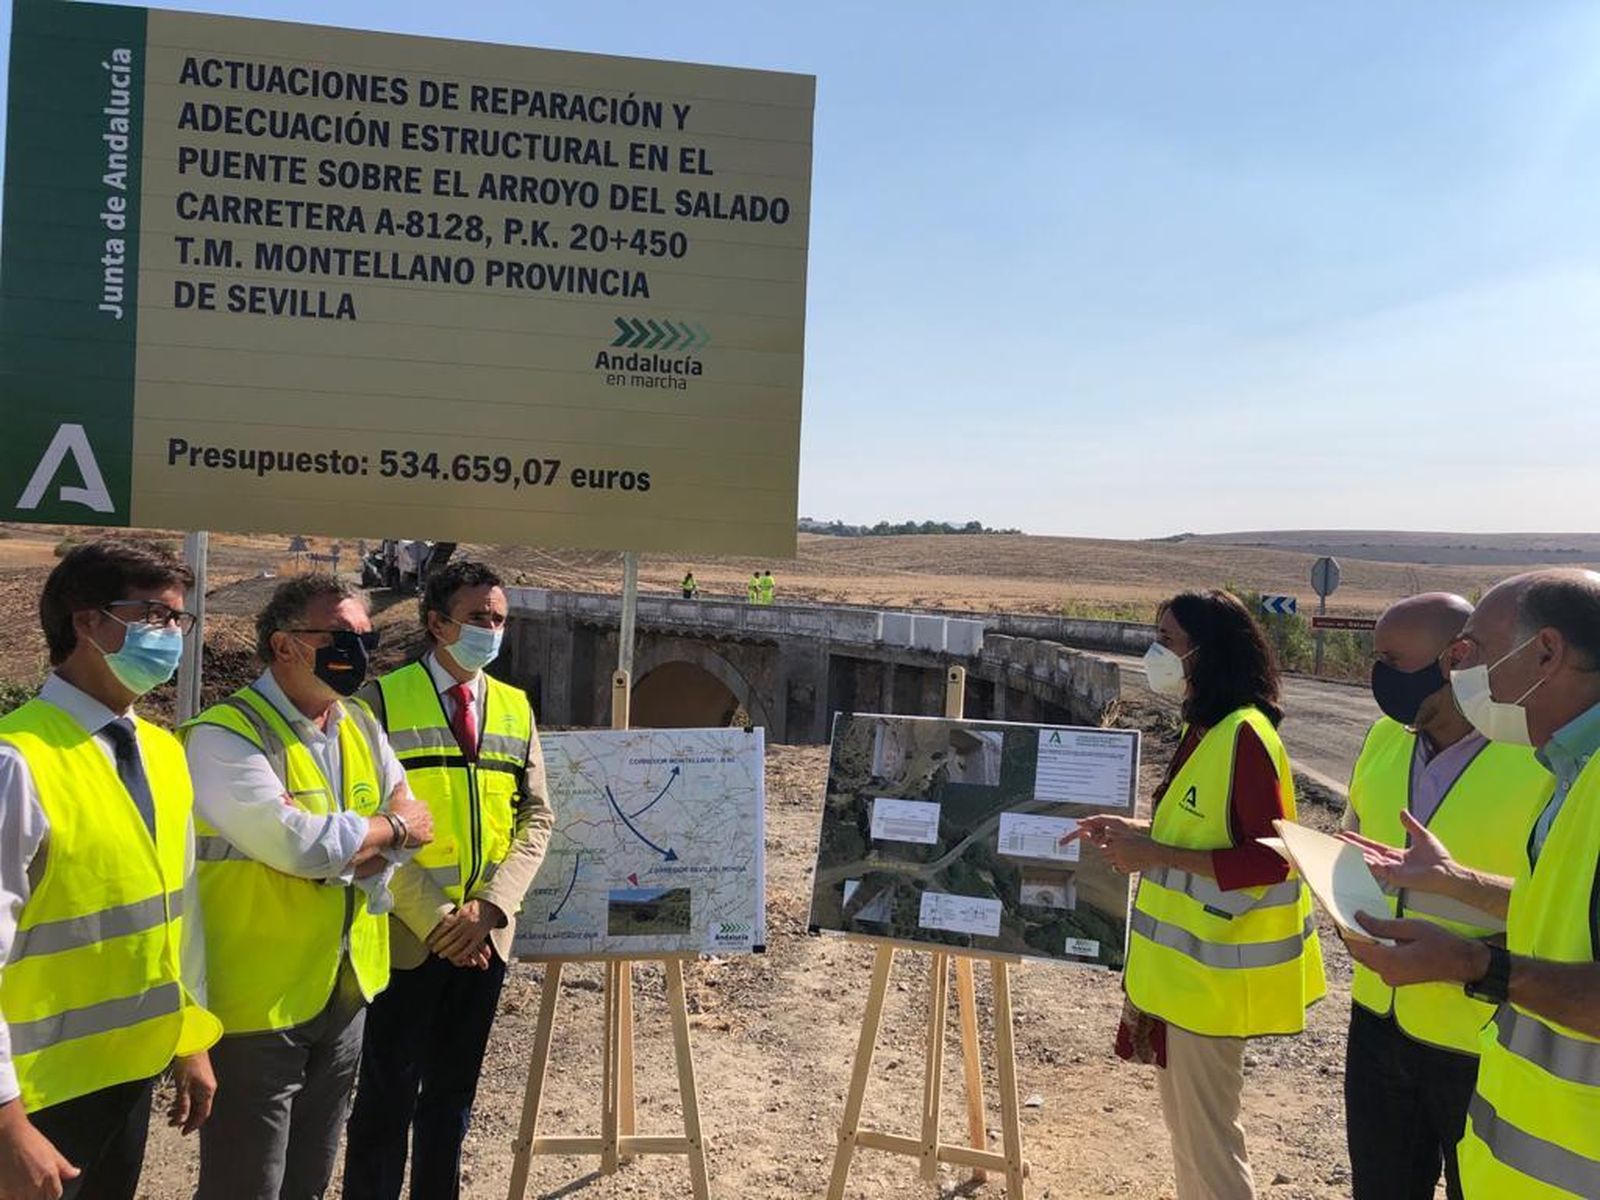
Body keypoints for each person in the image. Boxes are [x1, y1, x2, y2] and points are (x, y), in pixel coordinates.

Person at [1344, 570, 1600, 1199]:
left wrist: (1471, 963)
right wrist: (1454, 881)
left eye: (1474, 652)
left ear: (1546, 651)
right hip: (1517, 1137)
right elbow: (1555, 912)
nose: (1465, 673)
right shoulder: (1570, 766)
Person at [183, 575, 433, 1200]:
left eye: (365, 637)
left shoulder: (360, 725)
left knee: (310, 1180)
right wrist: (386, 832)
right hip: (258, 1003)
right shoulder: (226, 735)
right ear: (285, 645)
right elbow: (299, 844)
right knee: (248, 1184)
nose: (359, 650)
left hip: (344, 990)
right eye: (341, 636)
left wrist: (364, 841)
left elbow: (412, 814)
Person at [1071, 589, 1324, 1200]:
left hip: (1215, 986)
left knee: (1210, 1150)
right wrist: (1136, 833)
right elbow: (1203, 831)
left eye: (1170, 640)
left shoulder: (1245, 736)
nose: (1157, 652)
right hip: (1185, 984)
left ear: (1208, 653)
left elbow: (1271, 860)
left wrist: (1153, 854)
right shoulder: (1207, 730)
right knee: (1191, 1140)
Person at [0, 540, 221, 1200]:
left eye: (177, 620)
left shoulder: (161, 751)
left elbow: (173, 911)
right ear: (88, 623)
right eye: (153, 615)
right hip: (36, 1098)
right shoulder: (19, 762)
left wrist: (191, 1041)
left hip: (126, 1078)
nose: (171, 635)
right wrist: (8, 1124)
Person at [344, 561, 554, 1200]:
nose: (492, 630)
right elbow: (365, 822)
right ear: (437, 624)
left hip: (484, 939)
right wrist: (439, 919)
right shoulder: (377, 703)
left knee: (452, 1101)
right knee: (385, 1101)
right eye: (478, 619)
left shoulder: (515, 707)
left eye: (499, 619)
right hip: (410, 938)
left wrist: (490, 908)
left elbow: (537, 816)